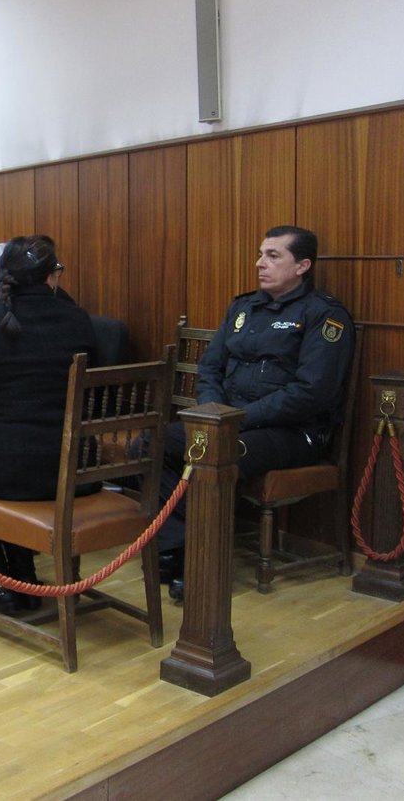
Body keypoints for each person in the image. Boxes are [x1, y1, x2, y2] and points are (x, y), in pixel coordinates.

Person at [159, 225, 355, 601]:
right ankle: (178, 547)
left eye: (273, 256)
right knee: (154, 443)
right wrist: (213, 412)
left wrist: (238, 419)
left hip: (293, 432)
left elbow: (311, 393)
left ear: (302, 266)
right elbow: (210, 367)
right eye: (260, 254)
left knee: (217, 455)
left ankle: (203, 566)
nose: (260, 263)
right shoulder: (243, 307)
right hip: (228, 422)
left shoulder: (324, 316)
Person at [0, 235, 98, 612]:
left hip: (8, 466)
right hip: (80, 470)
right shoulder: (79, 320)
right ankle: (24, 579)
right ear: (50, 276)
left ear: (3, 277)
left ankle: (0, 586)